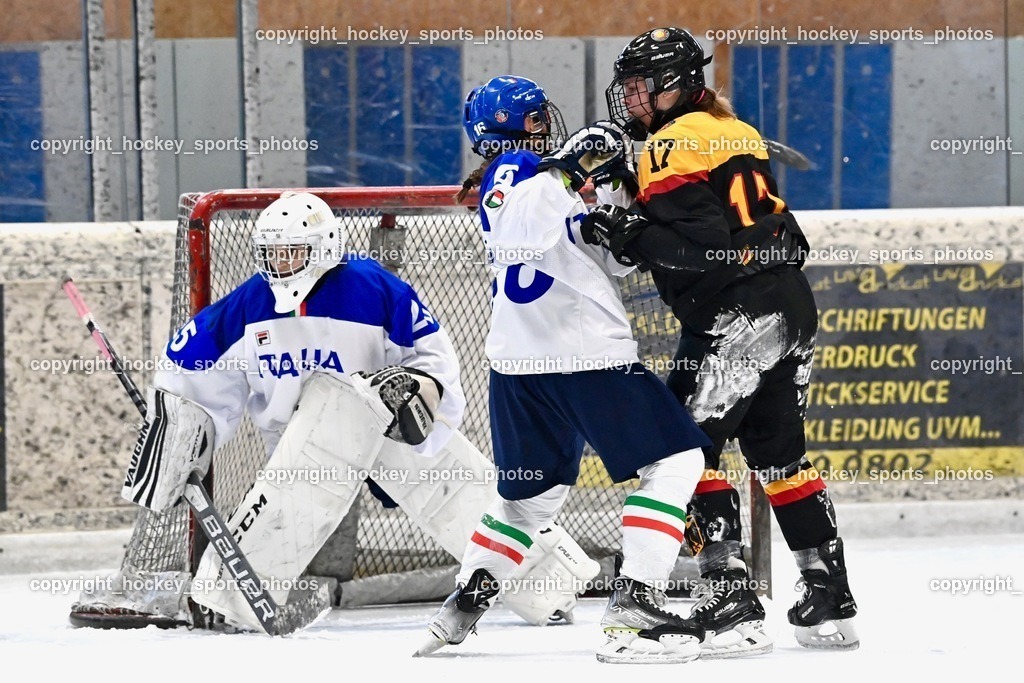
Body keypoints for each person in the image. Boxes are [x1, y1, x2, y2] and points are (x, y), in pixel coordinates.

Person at [417, 75, 713, 664]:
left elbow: (607, 261)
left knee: (530, 502)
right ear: (509, 129)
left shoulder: (539, 178)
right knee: (677, 460)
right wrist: (569, 167)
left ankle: (461, 608)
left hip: (520, 367)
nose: (543, 124)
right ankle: (635, 610)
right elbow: (518, 237)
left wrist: (614, 199)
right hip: (581, 356)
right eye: (533, 117)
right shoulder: (519, 168)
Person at [584, 27, 859, 654]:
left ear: (676, 85)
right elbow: (754, 230)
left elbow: (703, 250)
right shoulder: (734, 130)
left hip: (738, 316)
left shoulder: (670, 143)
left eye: (640, 86)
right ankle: (828, 597)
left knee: (684, 450)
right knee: (779, 457)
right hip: (789, 304)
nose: (631, 98)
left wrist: (625, 231)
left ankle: (730, 596)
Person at [119, 190, 489, 631]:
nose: (280, 262)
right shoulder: (251, 302)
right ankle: (229, 603)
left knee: (455, 494)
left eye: (292, 250)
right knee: (278, 524)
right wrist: (177, 429)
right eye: (271, 252)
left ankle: (537, 578)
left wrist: (423, 391)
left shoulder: (371, 287)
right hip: (299, 454)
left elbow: (431, 355)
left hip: (383, 429)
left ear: (325, 247)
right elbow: (191, 364)